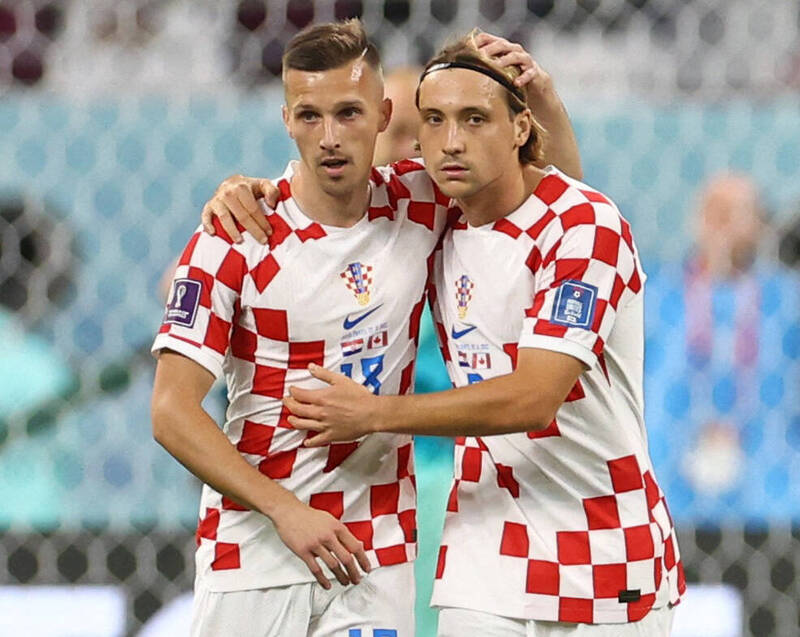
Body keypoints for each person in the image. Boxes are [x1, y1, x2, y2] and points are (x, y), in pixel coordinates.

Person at [223, 34, 685, 635]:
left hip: (603, 545)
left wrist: (374, 414)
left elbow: (534, 398)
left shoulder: (587, 225)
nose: (451, 142)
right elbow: (322, 196)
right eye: (434, 121)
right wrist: (249, 193)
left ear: (520, 127)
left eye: (474, 118)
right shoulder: (434, 214)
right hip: (483, 554)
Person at [153, 19, 581, 636]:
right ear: (286, 120)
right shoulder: (236, 235)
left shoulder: (418, 202)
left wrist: (542, 98)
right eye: (310, 116)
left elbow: (560, 206)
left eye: (349, 113)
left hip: (375, 554)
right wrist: (285, 511)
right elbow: (171, 411)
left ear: (382, 116)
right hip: (255, 551)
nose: (329, 137)